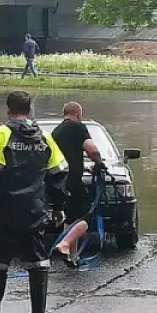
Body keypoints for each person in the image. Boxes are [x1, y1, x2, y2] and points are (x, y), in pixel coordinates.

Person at [0, 91, 69, 313]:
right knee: (38, 262)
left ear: (8, 109)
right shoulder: (44, 137)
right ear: (30, 109)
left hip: (5, 210)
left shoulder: (0, 135)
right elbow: (59, 172)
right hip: (35, 210)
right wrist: (58, 207)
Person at [51, 102, 106, 266]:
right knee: (85, 218)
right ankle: (64, 244)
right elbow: (92, 149)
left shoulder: (56, 132)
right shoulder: (78, 127)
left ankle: (72, 256)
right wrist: (98, 163)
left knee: (71, 218)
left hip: (58, 183)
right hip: (73, 180)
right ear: (77, 114)